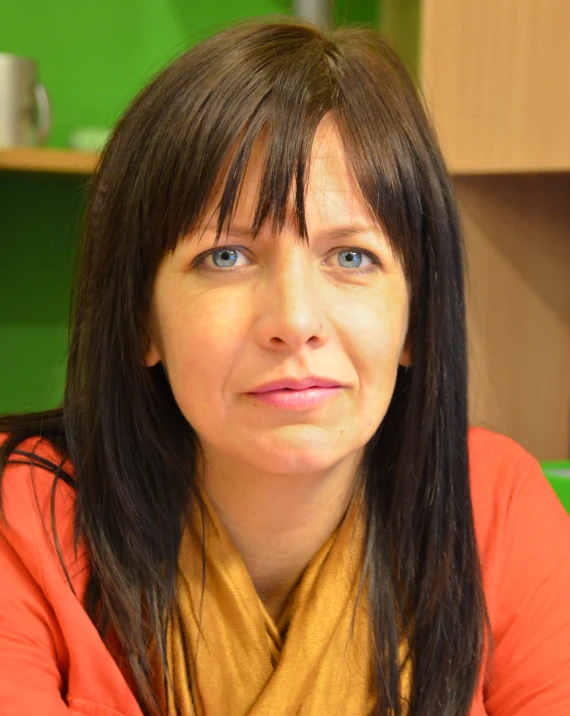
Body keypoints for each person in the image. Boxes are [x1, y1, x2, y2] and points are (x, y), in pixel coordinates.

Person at [1, 17, 569, 716]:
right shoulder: (24, 515)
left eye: (351, 257)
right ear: (141, 318)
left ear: (416, 320)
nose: (295, 321)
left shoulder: (494, 506)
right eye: (226, 257)